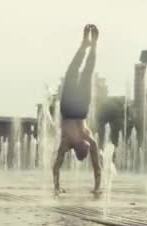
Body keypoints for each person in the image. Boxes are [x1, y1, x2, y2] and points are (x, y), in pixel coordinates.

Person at [53, 24, 101, 197]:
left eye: (82, 147)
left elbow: (56, 167)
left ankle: (85, 46)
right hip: (80, 110)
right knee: (86, 74)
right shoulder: (89, 139)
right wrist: (97, 186)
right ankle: (91, 46)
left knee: (72, 73)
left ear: (76, 149)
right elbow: (97, 165)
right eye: (85, 146)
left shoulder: (66, 144)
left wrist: (56, 186)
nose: (83, 143)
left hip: (69, 109)